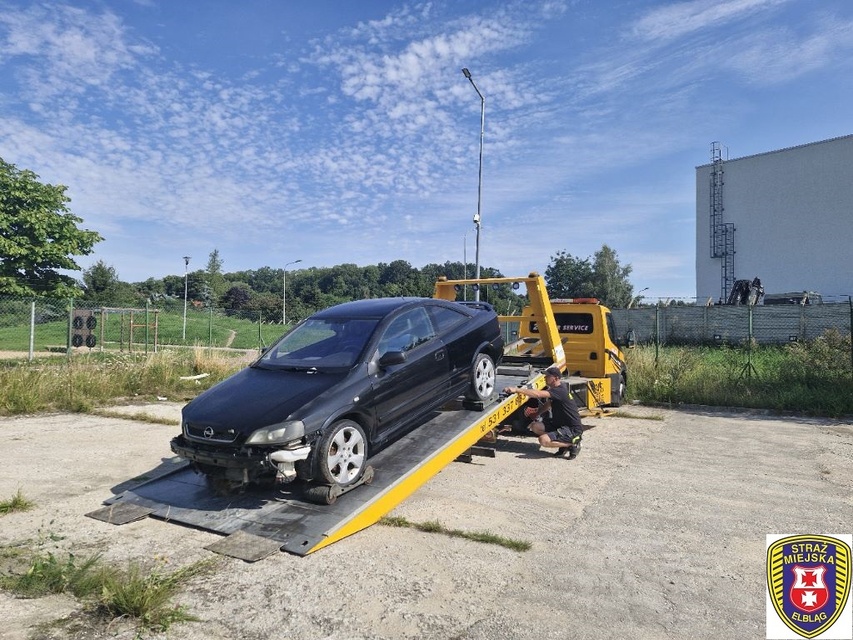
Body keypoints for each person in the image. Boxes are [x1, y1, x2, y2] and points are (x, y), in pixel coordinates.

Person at [503, 366, 584, 459]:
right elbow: (549, 403)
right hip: (559, 424)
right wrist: (537, 413)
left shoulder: (560, 391)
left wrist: (517, 390)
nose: (545, 378)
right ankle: (562, 442)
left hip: (571, 429)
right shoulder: (557, 389)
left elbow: (537, 394)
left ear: (556, 378)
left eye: (548, 376)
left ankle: (572, 444)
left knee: (543, 440)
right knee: (535, 426)